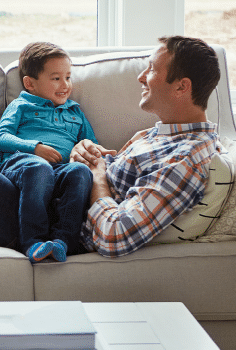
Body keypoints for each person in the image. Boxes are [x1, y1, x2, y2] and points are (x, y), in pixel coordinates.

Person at [70, 35, 222, 257]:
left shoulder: (186, 159)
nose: (141, 77)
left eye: (151, 69)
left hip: (54, 225)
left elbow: (114, 236)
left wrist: (97, 178)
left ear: (181, 86)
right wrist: (84, 152)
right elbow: (110, 172)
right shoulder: (161, 135)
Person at [0, 42, 97, 263]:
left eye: (68, 77)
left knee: (80, 172)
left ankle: (63, 242)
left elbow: (89, 143)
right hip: (22, 165)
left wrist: (96, 151)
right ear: (30, 83)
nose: (65, 85)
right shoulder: (21, 105)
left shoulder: (74, 111)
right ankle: (33, 242)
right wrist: (35, 148)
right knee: (38, 167)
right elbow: (0, 138)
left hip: (60, 170)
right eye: (56, 78)